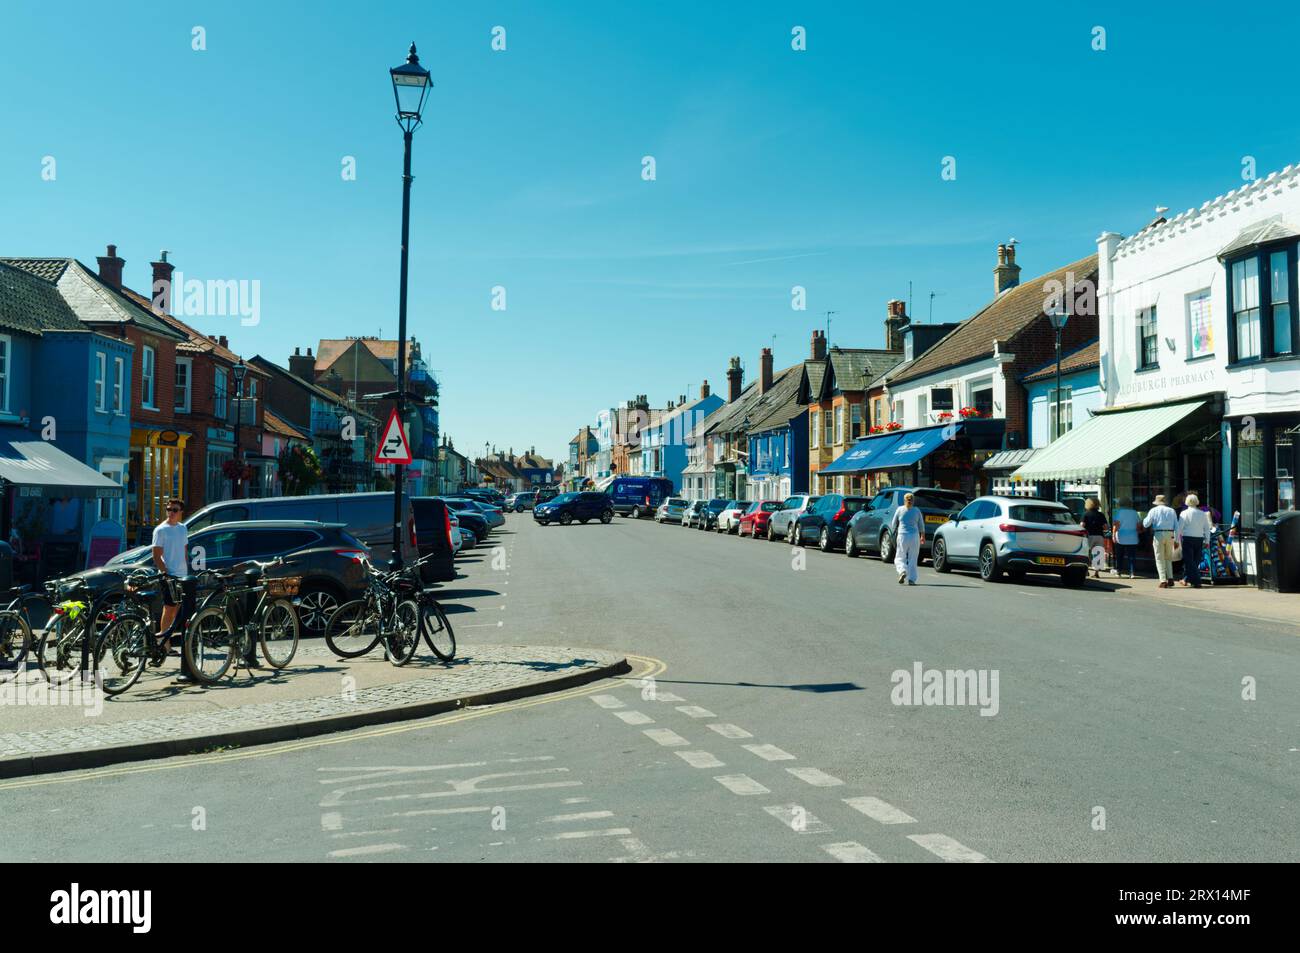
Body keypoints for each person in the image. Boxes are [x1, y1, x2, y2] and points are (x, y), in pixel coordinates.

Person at [151, 499, 192, 682]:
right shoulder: (161, 530)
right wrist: (165, 572)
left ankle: (171, 639)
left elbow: (184, 549)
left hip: (182, 574)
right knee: (169, 608)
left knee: (180, 608)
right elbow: (156, 554)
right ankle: (164, 642)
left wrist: (186, 569)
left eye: (174, 510)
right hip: (169, 575)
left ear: (181, 511)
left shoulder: (182, 528)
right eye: (168, 509)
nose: (170, 512)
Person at [1177, 493, 1213, 588]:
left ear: (1187, 502)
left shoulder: (1184, 513)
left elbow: (1179, 528)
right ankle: (1186, 579)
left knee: (1189, 561)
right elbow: (1207, 528)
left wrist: (1177, 540)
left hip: (1188, 538)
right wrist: (1207, 541)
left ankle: (1196, 581)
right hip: (1199, 539)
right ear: (1197, 502)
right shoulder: (1202, 514)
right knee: (1195, 561)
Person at [1142, 493, 1179, 588]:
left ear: (1156, 502)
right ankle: (1170, 578)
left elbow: (1146, 524)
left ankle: (1163, 580)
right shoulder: (1172, 510)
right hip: (1170, 534)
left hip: (1158, 534)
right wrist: (1177, 539)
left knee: (1159, 558)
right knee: (1168, 557)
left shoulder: (1153, 510)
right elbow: (1177, 526)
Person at [891, 492, 925, 586]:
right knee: (913, 558)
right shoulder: (917, 510)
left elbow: (893, 524)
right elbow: (921, 524)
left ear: (904, 500)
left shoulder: (899, 510)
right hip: (914, 536)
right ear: (913, 501)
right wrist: (922, 536)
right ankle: (912, 579)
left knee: (900, 557)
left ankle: (902, 571)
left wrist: (892, 534)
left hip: (902, 536)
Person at [1111, 498, 1140, 579]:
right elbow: (1138, 525)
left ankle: (1119, 571)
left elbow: (1116, 525)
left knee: (1119, 555)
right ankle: (1132, 573)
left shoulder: (1119, 512)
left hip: (1121, 536)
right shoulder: (1134, 512)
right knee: (1132, 556)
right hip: (1133, 536)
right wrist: (1138, 533)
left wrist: (1113, 535)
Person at [1081, 498, 1108, 578]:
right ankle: (1096, 572)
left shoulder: (1085, 514)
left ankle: (1086, 571)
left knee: (1087, 554)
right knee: (1098, 554)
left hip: (1089, 536)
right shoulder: (1101, 515)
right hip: (1099, 536)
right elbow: (1105, 527)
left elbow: (1082, 525)